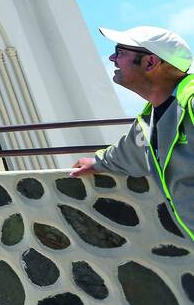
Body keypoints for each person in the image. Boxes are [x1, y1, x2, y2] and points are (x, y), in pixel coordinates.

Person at [71, 26, 194, 242]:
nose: (112, 58)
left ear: (150, 63)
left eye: (120, 52)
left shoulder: (190, 101)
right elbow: (126, 154)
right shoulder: (148, 122)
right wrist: (97, 162)